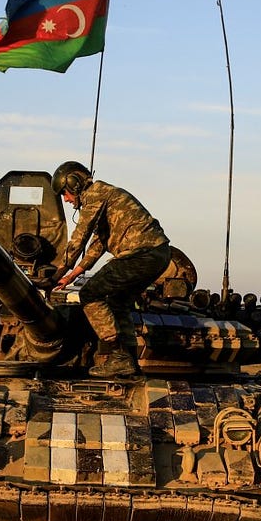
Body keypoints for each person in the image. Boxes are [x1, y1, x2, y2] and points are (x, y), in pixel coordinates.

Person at [50, 161, 171, 378]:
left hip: (140, 254)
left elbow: (80, 236)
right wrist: (71, 275)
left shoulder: (96, 195)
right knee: (117, 301)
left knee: (89, 294)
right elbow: (98, 244)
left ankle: (118, 356)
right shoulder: (107, 197)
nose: (66, 200)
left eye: (65, 194)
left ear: (75, 184)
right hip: (157, 254)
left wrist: (57, 272)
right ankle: (129, 361)